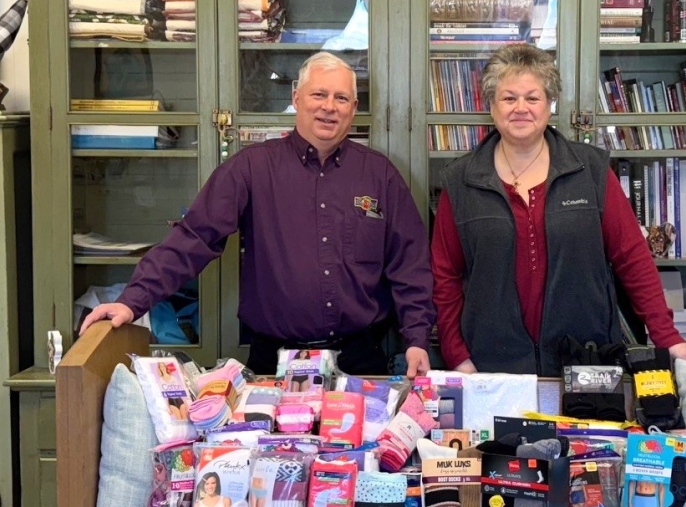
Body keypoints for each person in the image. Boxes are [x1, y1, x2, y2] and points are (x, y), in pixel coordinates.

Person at [77, 52, 434, 378]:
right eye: (318, 95)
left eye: (341, 98)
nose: (329, 107)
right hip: (272, 365)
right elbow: (194, 238)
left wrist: (416, 338)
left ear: (353, 108)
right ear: (296, 98)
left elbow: (409, 263)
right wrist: (131, 301)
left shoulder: (379, 175)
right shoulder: (252, 167)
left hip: (359, 362)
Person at [430, 45, 686, 376]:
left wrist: (668, 337)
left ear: (549, 104)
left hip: (587, 361)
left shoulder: (592, 171)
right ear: (491, 106)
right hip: (491, 365)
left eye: (532, 97)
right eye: (509, 98)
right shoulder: (461, 181)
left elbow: (633, 258)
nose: (521, 109)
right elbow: (445, 277)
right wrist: (457, 356)